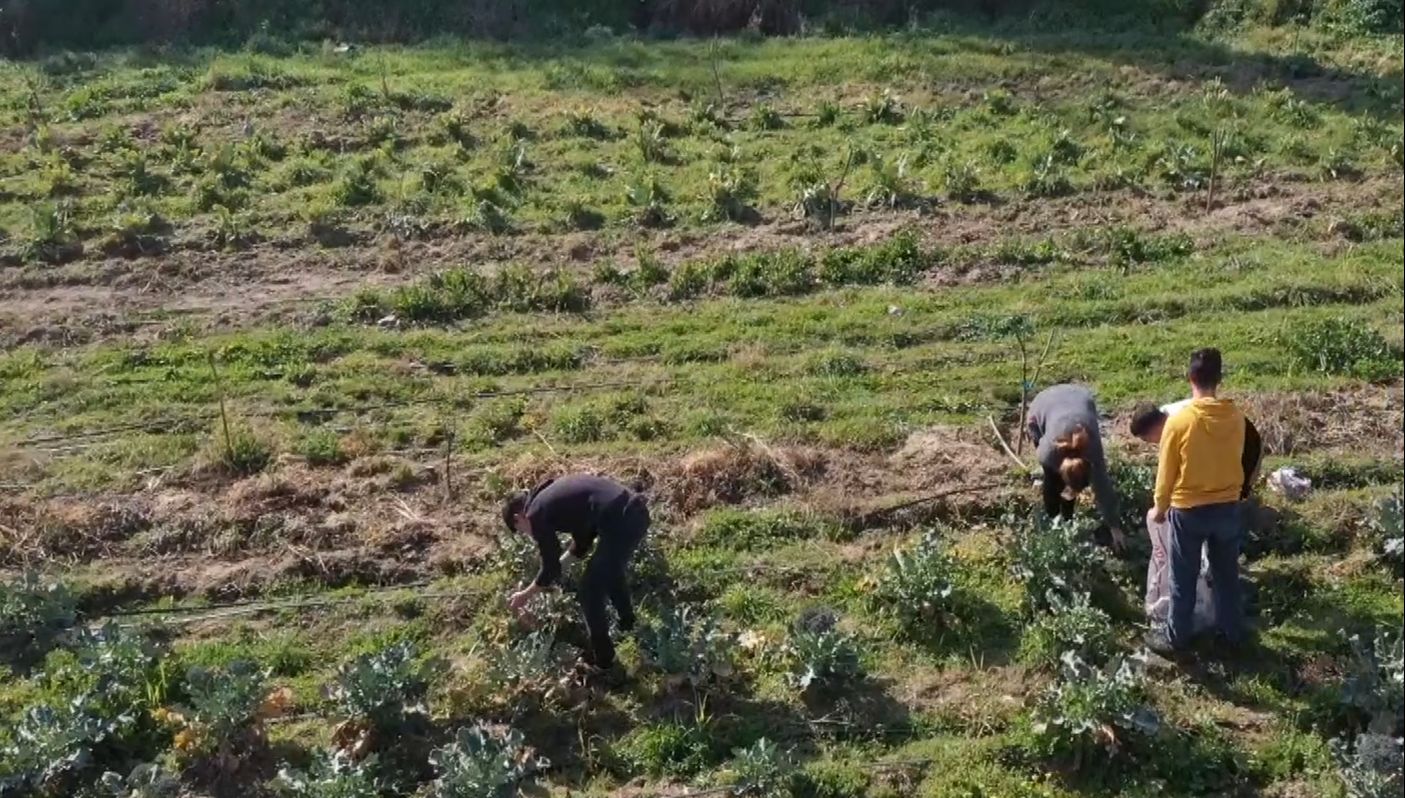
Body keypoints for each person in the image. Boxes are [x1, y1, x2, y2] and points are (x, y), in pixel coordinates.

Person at [1145, 348, 1247, 655]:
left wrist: (1160, 509)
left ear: (1190, 378)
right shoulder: (1236, 417)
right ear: (1219, 379)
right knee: (1227, 575)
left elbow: (1166, 474)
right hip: (1228, 506)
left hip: (1188, 511)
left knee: (1183, 578)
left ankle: (1178, 639)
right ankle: (1232, 635)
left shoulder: (1180, 422)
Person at [503, 473, 650, 673]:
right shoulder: (551, 497)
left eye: (520, 530)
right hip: (634, 512)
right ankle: (629, 625)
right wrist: (555, 570)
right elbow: (581, 544)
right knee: (609, 572)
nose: (528, 535)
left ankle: (604, 663)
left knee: (589, 590)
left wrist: (525, 595)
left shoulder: (535, 513)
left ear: (518, 518)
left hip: (620, 520)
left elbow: (550, 567)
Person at [1026, 384, 1126, 551]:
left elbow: (1102, 486)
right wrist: (1062, 483)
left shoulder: (1092, 448)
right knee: (1052, 481)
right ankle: (1053, 521)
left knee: (1067, 491)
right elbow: (1049, 465)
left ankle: (1067, 519)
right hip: (1042, 405)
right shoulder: (1048, 453)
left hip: (1079, 397)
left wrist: (1114, 527)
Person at [1130, 400, 1262, 500]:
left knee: (1233, 494)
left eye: (1147, 440)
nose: (1153, 443)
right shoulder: (1166, 417)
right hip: (1223, 437)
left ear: (1153, 429)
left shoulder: (1181, 422)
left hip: (1242, 438)